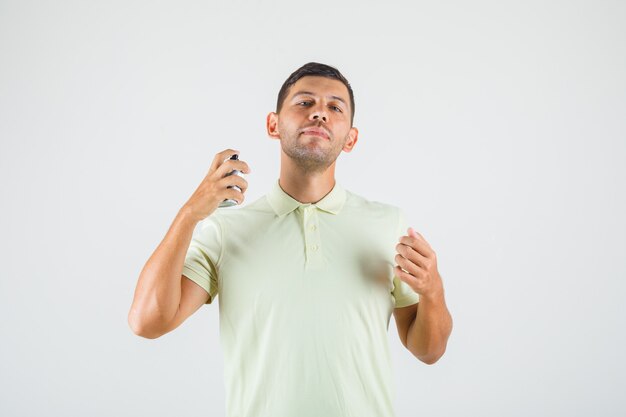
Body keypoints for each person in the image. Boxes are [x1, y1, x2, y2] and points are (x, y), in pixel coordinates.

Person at [128, 62, 453, 417]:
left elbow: (428, 350)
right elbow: (147, 321)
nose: (319, 114)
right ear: (273, 124)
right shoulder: (225, 231)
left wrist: (433, 291)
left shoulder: (388, 224)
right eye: (304, 103)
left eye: (335, 107)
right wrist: (189, 213)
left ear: (351, 138)